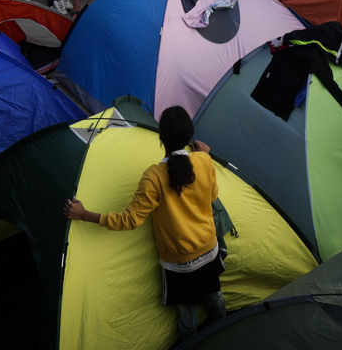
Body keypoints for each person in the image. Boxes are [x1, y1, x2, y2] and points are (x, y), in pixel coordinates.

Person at [64, 106, 226, 341]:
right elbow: (211, 197)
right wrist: (205, 156)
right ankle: (225, 331)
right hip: (210, 251)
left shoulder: (154, 177)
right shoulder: (203, 161)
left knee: (188, 313)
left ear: (161, 137)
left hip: (180, 265)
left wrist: (84, 214)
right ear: (190, 136)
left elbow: (129, 220)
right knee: (215, 297)